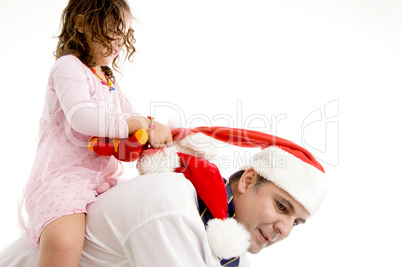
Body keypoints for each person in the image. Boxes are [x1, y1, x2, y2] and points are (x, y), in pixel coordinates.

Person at [1, 127, 329, 266]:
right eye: (281, 206)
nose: (284, 229)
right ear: (248, 180)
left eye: (296, 222)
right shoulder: (175, 210)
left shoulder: (208, 226)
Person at [17, 0, 173, 266]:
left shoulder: (107, 78)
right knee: (64, 243)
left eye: (122, 33)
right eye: (110, 30)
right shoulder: (68, 66)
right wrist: (136, 123)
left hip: (101, 180)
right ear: (80, 24)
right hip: (63, 179)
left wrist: (151, 127)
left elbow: (128, 114)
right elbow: (82, 116)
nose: (118, 41)